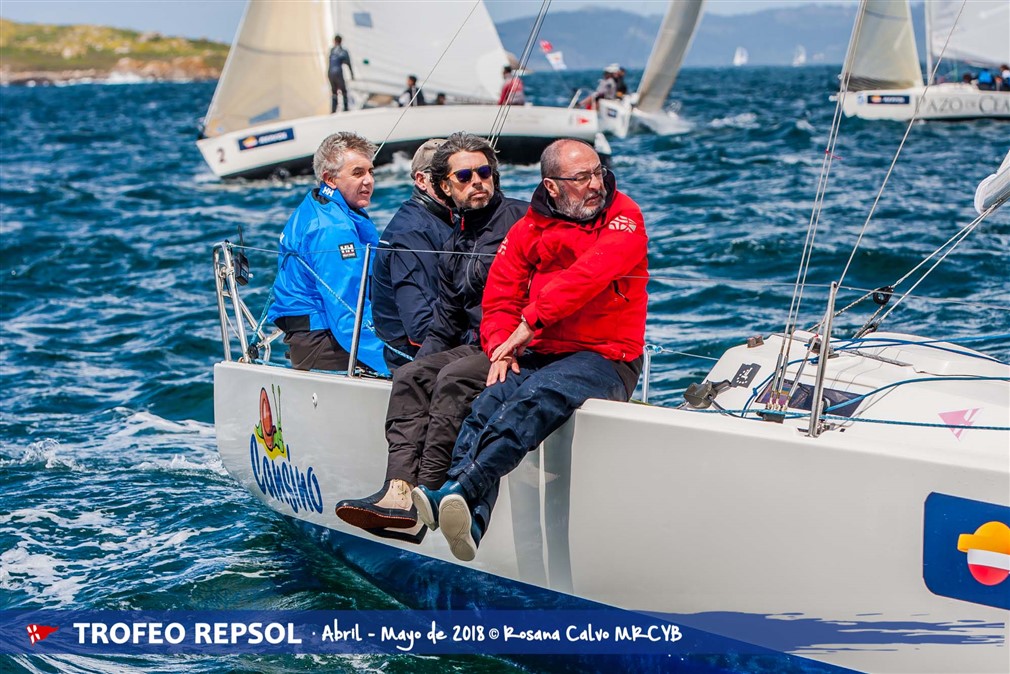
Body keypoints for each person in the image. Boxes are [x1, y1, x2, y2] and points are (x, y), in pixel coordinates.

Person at [412, 138, 649, 562]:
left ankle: (460, 488)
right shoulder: (528, 229)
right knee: (490, 400)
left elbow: (588, 276)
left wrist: (529, 323)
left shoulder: (624, 216)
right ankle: (471, 517)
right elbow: (500, 296)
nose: (596, 184)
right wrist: (501, 348)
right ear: (552, 186)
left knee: (534, 397)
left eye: (598, 172)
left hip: (608, 356)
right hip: (544, 351)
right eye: (582, 178)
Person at [335, 132, 528, 543]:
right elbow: (444, 319)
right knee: (413, 376)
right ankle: (398, 492)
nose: (477, 182)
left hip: (519, 342)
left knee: (453, 378)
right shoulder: (455, 239)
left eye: (484, 172)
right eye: (464, 176)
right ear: (444, 186)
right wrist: (422, 366)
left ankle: (428, 493)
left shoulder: (520, 220)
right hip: (478, 341)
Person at [267, 132, 389, 376]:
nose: (368, 180)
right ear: (329, 179)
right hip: (322, 340)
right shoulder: (332, 228)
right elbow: (347, 312)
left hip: (317, 334)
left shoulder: (323, 205)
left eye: (370, 172)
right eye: (358, 173)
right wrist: (392, 362)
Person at [371, 139, 453, 369]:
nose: (456, 183)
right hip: (411, 358)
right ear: (421, 180)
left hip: (438, 344)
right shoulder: (412, 233)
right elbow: (421, 327)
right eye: (446, 175)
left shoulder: (444, 219)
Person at [328, 35, 354, 113]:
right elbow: (348, 63)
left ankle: (333, 110)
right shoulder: (343, 51)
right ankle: (346, 109)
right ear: (341, 41)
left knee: (334, 92)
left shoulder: (332, 50)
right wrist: (352, 75)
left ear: (334, 41)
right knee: (343, 91)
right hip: (338, 73)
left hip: (330, 73)